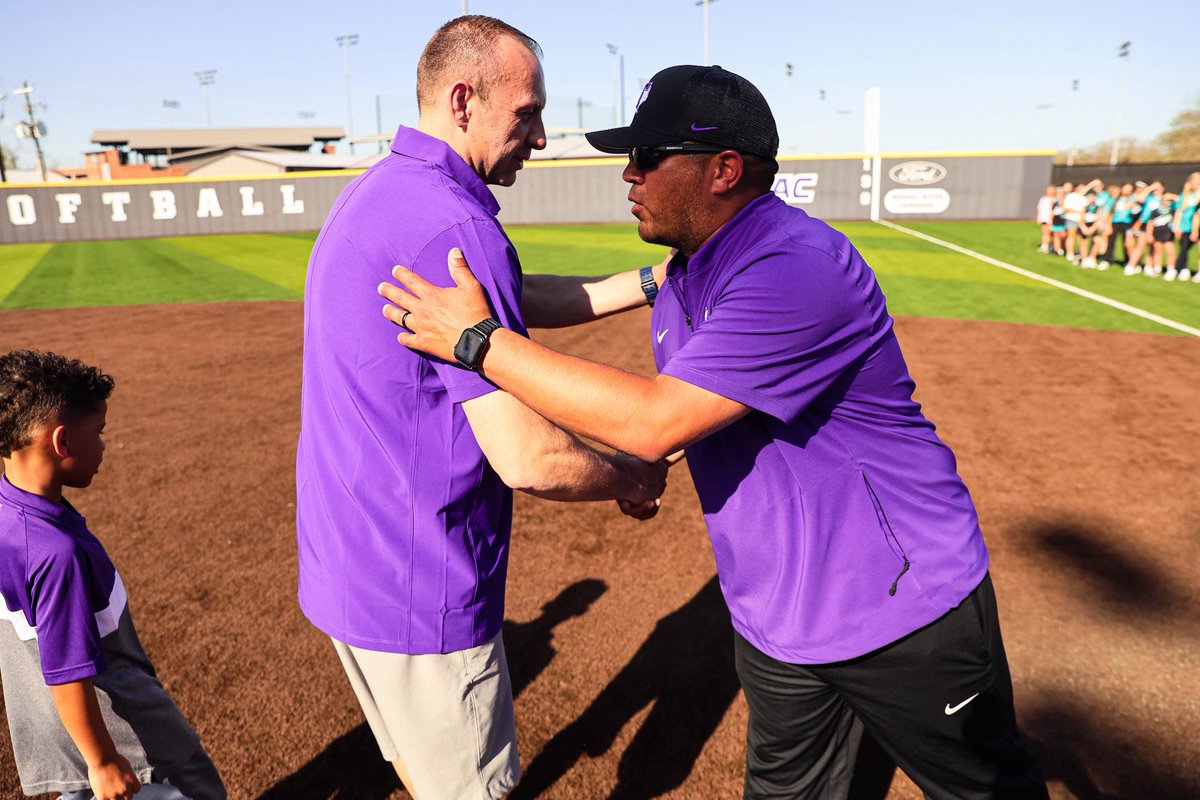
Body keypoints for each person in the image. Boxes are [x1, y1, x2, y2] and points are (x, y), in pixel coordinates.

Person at [379, 64, 1050, 799]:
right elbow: (644, 369)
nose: (628, 173)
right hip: (777, 617)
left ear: (724, 169)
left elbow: (656, 417)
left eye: (648, 155)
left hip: (902, 608)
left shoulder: (797, 267)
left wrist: (476, 342)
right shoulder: (688, 269)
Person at [295, 16, 668, 800]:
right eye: (526, 114)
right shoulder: (456, 223)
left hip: (347, 565)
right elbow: (528, 458)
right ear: (463, 100)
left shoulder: (382, 190)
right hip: (419, 584)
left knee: (419, 773)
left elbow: (509, 298)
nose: (540, 138)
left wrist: (646, 283)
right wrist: (631, 476)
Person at [0, 349, 225, 800]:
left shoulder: (10, 509)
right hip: (123, 727)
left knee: (82, 790)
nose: (103, 445)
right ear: (62, 441)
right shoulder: (55, 553)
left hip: (61, 732)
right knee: (200, 789)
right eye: (99, 431)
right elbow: (66, 670)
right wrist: (102, 759)